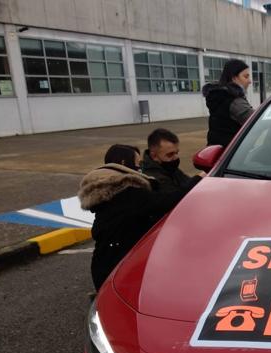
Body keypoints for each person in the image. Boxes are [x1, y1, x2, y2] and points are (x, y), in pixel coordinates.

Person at [78, 144, 201, 290]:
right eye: (137, 163)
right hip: (117, 270)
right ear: (124, 164)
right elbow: (166, 201)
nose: (140, 168)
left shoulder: (108, 192)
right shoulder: (126, 193)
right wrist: (198, 179)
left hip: (104, 265)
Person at [202, 59, 255, 147]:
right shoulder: (234, 102)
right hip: (233, 153)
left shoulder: (219, 96)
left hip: (217, 151)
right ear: (234, 78)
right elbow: (257, 122)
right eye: (246, 77)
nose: (249, 81)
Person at [141, 128, 195, 194]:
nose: (176, 157)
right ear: (154, 156)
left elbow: (187, 182)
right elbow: (177, 196)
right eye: (170, 154)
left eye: (176, 153)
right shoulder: (153, 179)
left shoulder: (168, 168)